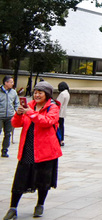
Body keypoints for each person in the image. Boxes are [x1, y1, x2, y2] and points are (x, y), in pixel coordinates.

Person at [3, 82, 62, 220]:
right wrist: (18, 114)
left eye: (40, 93)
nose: (37, 95)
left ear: (47, 95)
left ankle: (40, 204)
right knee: (19, 179)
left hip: (46, 150)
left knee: (43, 179)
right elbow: (16, 124)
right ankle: (13, 208)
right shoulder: (29, 106)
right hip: (28, 148)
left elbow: (47, 121)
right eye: (35, 92)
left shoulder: (52, 107)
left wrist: (31, 113)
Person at [0, 76, 19, 158]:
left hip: (10, 116)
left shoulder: (13, 92)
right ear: (5, 83)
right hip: (0, 115)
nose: (12, 84)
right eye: (11, 82)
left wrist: (17, 110)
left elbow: (16, 103)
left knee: (8, 134)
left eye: (12, 82)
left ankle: (5, 150)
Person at [55, 82, 70, 147]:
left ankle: (59, 139)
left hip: (59, 112)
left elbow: (58, 103)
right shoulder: (67, 93)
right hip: (63, 112)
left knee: (58, 126)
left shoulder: (62, 93)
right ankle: (62, 140)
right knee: (62, 126)